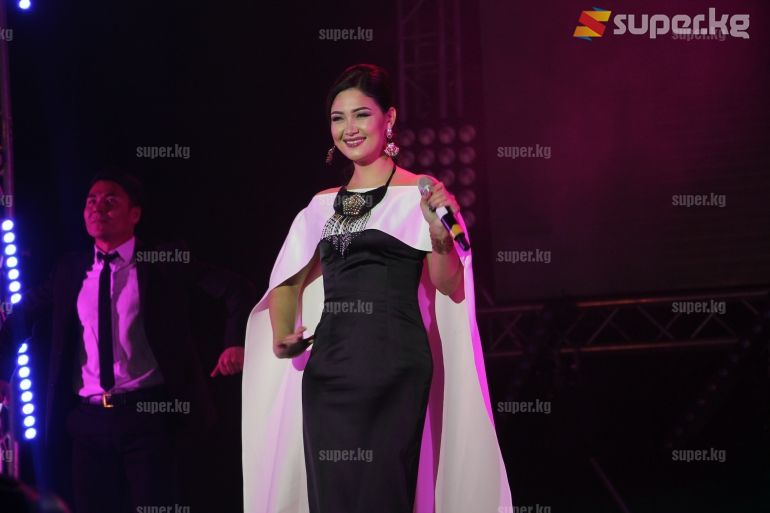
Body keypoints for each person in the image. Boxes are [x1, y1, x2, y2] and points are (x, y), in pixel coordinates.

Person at [242, 64, 512, 512]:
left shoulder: (420, 195)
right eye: (338, 118)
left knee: (384, 494)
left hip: (394, 370)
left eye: (361, 114)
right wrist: (283, 335)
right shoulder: (320, 206)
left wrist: (440, 237)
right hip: (329, 376)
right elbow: (286, 283)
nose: (348, 128)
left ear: (389, 118)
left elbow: (450, 284)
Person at [0, 172, 256, 513]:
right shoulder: (70, 270)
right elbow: (20, 316)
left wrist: (235, 342)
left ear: (134, 214)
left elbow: (236, 289)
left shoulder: (162, 260)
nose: (98, 208)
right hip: (87, 420)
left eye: (110, 201)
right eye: (91, 201)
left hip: (147, 418)